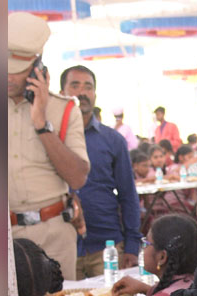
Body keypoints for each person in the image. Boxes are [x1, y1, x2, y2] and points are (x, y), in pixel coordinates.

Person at [7, 12, 90, 280]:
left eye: (15, 70)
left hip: (53, 234)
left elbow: (77, 176)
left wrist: (42, 123)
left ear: (36, 69)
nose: (7, 76)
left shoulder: (64, 110)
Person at [61, 65, 143, 278]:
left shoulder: (113, 140)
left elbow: (128, 195)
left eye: (88, 87)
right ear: (62, 93)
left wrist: (132, 245)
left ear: (95, 94)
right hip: (63, 248)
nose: (82, 92)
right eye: (75, 85)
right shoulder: (49, 139)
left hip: (107, 247)